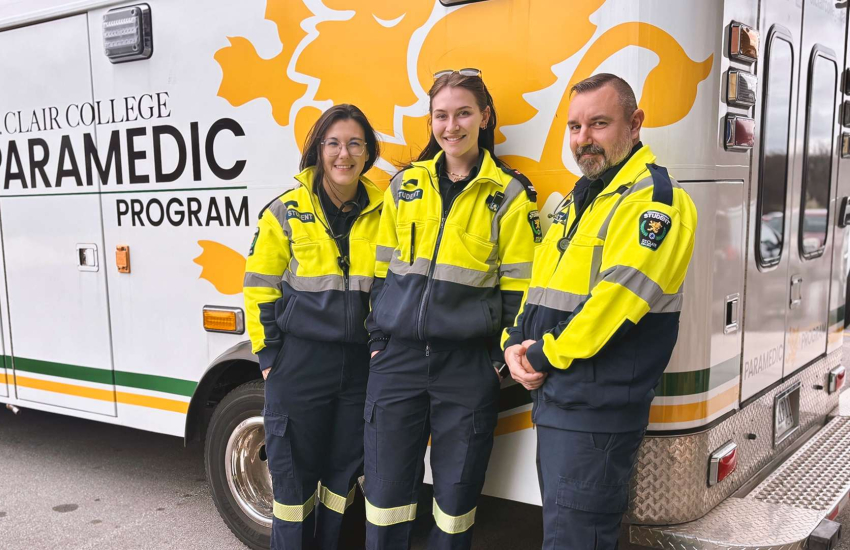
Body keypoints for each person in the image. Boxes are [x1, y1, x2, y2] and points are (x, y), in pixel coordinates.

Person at [502, 73, 697, 549]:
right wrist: (512, 342)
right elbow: (540, 285)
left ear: (635, 124)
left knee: (576, 540)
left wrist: (543, 356)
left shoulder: (654, 201)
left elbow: (614, 305)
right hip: (561, 396)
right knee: (564, 533)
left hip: (596, 408)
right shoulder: (579, 198)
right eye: (574, 126)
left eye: (598, 123)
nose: (582, 138)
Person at [362, 69, 540, 550]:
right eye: (441, 115)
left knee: (456, 501)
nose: (451, 125)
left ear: (484, 117)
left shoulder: (508, 195)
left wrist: (498, 359)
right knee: (383, 495)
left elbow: (520, 289)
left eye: (463, 113)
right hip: (396, 362)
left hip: (466, 368)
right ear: (431, 121)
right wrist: (378, 339)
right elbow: (379, 273)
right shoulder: (405, 187)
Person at [243, 104, 383, 550]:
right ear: (318, 150)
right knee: (293, 486)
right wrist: (269, 360)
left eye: (355, 143)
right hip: (299, 364)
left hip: (358, 367)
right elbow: (258, 288)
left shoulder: (388, 213)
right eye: (334, 143)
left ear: (368, 152)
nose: (344, 154)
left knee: (341, 480)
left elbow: (391, 288)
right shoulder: (285, 211)